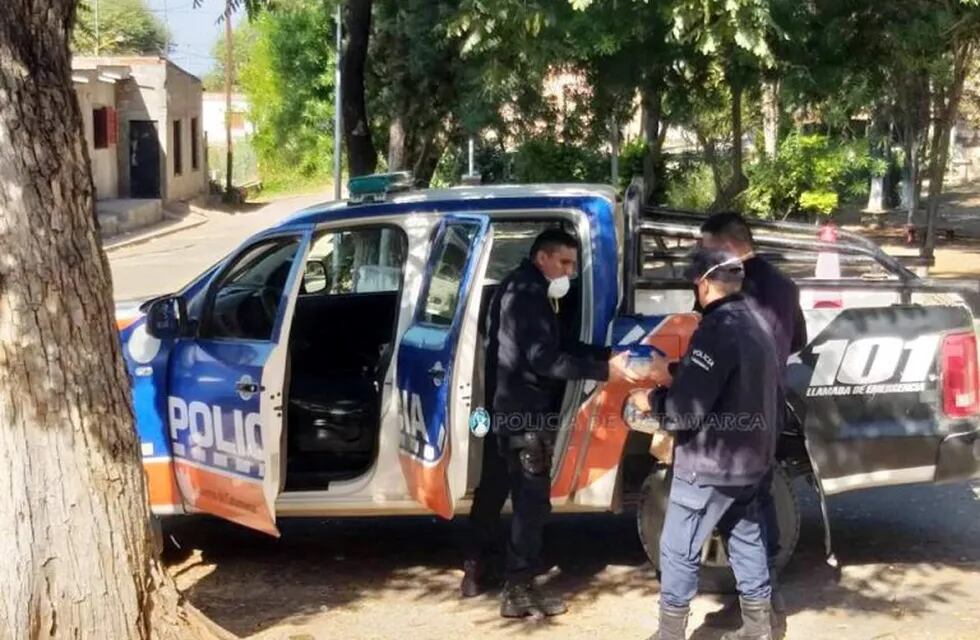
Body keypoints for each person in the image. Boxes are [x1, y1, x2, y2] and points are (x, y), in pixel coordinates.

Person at [462, 228, 636, 619]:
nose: (570, 273)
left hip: (503, 408)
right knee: (531, 502)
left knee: (491, 490)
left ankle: (475, 570)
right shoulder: (529, 295)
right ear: (542, 258)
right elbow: (546, 360)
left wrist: (606, 356)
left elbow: (560, 346)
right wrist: (605, 372)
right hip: (525, 415)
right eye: (564, 263)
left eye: (573, 264)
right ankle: (518, 589)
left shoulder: (519, 286)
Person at [631, 247, 781, 640]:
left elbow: (684, 411)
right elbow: (732, 376)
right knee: (746, 537)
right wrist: (677, 371)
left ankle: (670, 634)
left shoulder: (715, 329)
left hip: (709, 462)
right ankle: (759, 628)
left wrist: (650, 400)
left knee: (679, 547)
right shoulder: (756, 321)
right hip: (751, 458)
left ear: (703, 285)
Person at [699, 212, 807, 619]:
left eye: (705, 247)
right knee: (760, 494)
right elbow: (798, 338)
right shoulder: (784, 284)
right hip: (771, 404)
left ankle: (754, 603)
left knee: (736, 505)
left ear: (726, 246)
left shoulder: (724, 284)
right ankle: (768, 592)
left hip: (731, 409)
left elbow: (709, 341)